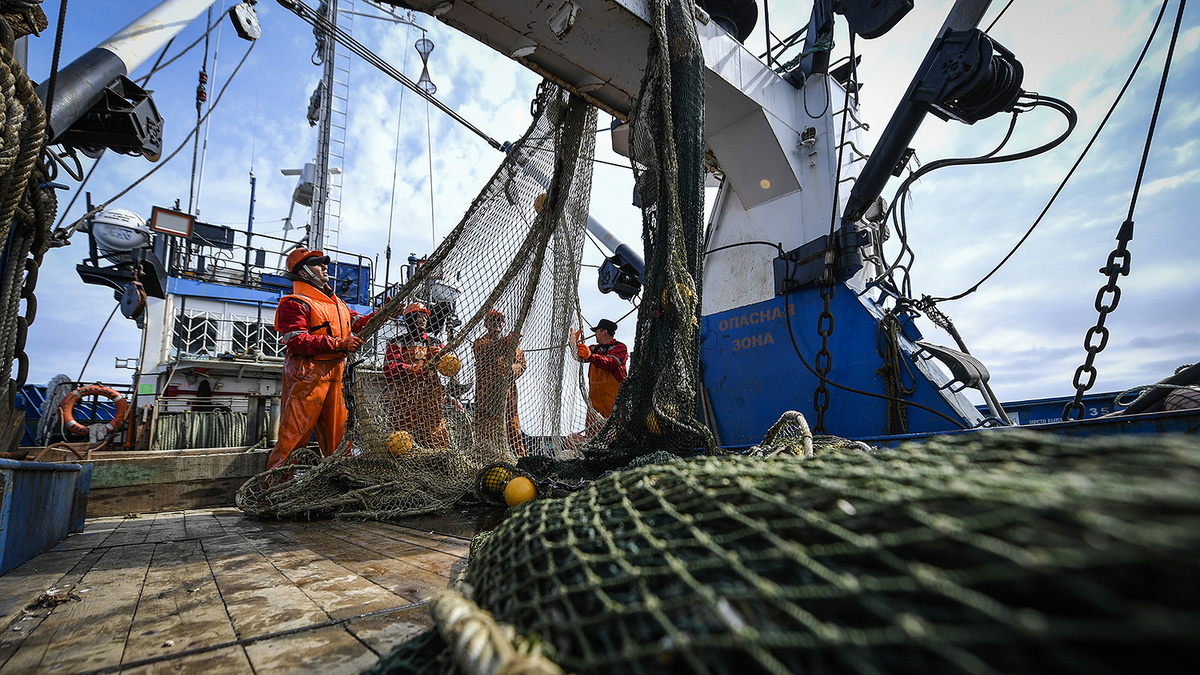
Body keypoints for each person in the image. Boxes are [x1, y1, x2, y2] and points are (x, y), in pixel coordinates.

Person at [269, 247, 373, 472]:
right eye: (318, 263)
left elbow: (358, 323)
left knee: (341, 439)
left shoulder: (338, 304)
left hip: (336, 375)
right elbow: (296, 340)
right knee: (293, 439)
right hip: (307, 378)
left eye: (324, 262)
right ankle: (272, 492)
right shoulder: (294, 303)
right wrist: (338, 344)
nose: (325, 266)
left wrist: (385, 313)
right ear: (304, 272)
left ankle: (340, 484)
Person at [383, 302, 450, 449]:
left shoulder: (435, 343)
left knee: (436, 439)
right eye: (419, 316)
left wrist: (440, 357)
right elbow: (389, 368)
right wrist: (411, 369)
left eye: (425, 317)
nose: (424, 320)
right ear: (410, 319)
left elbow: (450, 367)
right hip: (404, 401)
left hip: (430, 400)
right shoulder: (397, 342)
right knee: (402, 441)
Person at [473, 309, 527, 455]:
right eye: (492, 320)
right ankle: (485, 457)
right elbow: (484, 351)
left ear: (503, 324)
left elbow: (522, 365)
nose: (496, 323)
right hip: (486, 395)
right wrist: (506, 343)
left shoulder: (514, 347)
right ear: (486, 325)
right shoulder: (480, 343)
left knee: (512, 427)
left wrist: (511, 369)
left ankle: (518, 458)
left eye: (499, 320)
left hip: (507, 394)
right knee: (485, 427)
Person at [574, 318, 628, 422]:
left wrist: (591, 357)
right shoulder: (594, 349)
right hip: (594, 402)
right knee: (592, 432)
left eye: (597, 331)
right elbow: (578, 357)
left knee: (615, 428)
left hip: (614, 400)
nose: (595, 334)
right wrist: (574, 344)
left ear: (604, 332)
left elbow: (611, 363)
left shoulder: (620, 348)